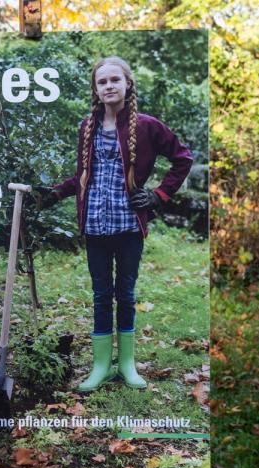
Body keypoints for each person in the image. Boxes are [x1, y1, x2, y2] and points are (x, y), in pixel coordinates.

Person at [36, 56, 193, 392]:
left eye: (114, 81)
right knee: (100, 295)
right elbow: (82, 176)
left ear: (127, 84)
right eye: (102, 82)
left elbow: (183, 157)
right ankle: (101, 366)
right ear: (96, 89)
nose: (108, 86)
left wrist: (160, 195)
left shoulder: (148, 126)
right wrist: (55, 193)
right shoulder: (87, 127)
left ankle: (127, 365)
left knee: (126, 293)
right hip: (94, 223)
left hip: (128, 225)